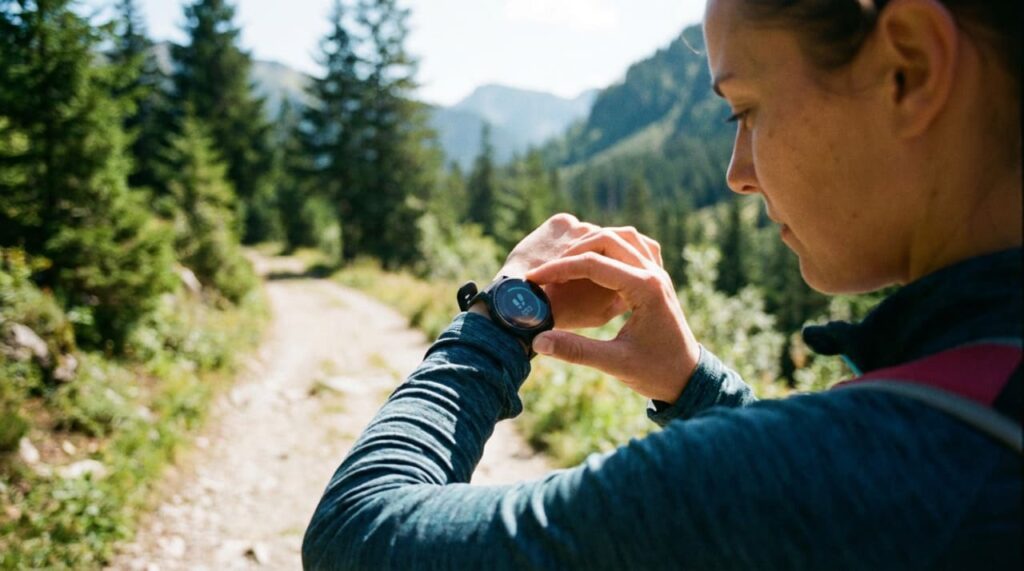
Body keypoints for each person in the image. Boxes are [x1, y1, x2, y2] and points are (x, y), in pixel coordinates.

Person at [303, 0, 1022, 568]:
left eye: (745, 109)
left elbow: (358, 532)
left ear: (913, 69)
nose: (737, 173)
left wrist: (500, 320)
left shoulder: (860, 474)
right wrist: (694, 385)